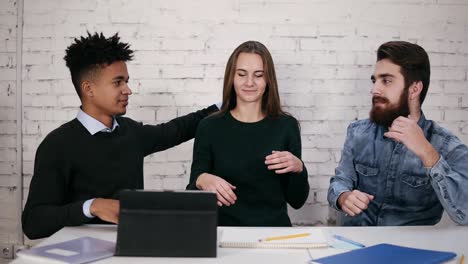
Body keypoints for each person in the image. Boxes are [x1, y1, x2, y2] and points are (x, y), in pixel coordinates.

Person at [21, 32, 219, 239]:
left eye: (126, 81)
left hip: (131, 247)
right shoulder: (57, 145)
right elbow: (34, 222)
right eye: (118, 82)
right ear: (89, 89)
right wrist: (91, 207)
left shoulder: (131, 132)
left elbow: (176, 129)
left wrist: (228, 102)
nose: (128, 90)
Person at [327, 41, 468, 226]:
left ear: (414, 89)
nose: (374, 89)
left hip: (412, 249)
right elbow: (340, 182)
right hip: (358, 245)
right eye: (375, 80)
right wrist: (343, 197)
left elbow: (464, 213)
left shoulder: (445, 145)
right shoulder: (358, 132)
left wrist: (427, 153)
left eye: (386, 81)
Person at [186, 41, 309, 226]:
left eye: (258, 75)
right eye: (241, 74)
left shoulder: (286, 126)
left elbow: (297, 201)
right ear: (232, 78)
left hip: (274, 235)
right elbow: (192, 195)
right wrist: (201, 179)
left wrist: (299, 168)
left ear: (268, 80)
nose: (249, 82)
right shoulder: (209, 127)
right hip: (222, 236)